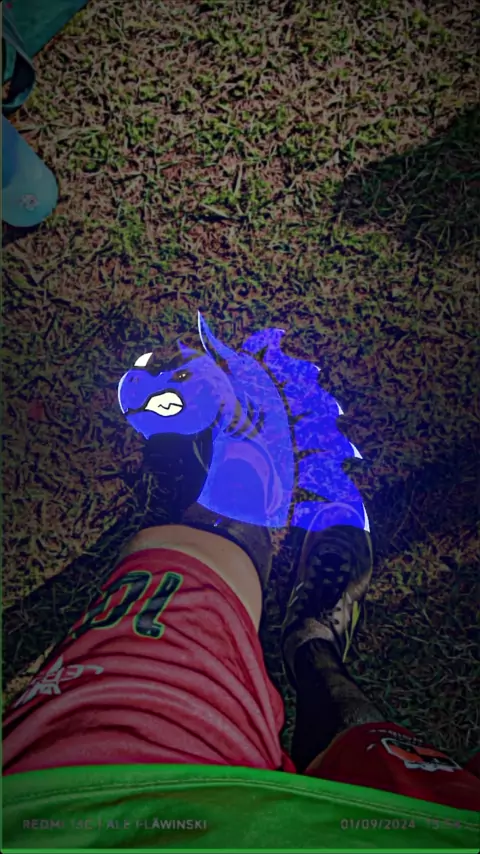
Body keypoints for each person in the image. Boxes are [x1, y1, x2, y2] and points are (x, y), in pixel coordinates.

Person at [3, 446, 480, 851]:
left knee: (171, 601)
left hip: (79, 807)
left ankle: (227, 534)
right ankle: (312, 647)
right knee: (367, 746)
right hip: (428, 828)